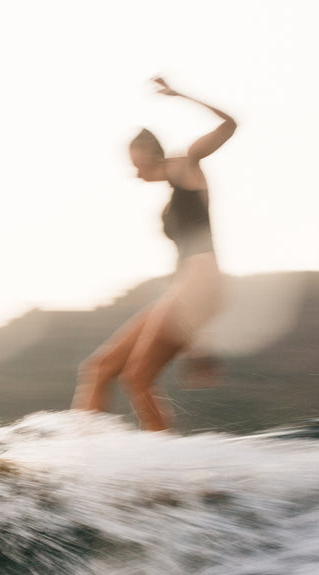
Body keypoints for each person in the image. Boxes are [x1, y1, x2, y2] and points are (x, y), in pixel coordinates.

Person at [72, 77, 236, 431]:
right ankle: (82, 453)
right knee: (99, 369)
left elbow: (230, 124)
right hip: (188, 287)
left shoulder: (186, 166)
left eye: (136, 163)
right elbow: (185, 268)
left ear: (149, 154)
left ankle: (164, 470)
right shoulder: (172, 194)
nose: (134, 172)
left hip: (201, 284)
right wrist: (199, 340)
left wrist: (180, 94)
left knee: (137, 378)